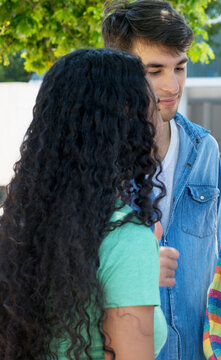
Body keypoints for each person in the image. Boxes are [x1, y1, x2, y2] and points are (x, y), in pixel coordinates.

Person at [0, 48, 165, 359]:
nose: (157, 114)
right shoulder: (125, 240)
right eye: (152, 105)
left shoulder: (19, 227)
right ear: (127, 115)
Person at [102, 2, 221, 359]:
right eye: (154, 71)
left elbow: (213, 264)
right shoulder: (92, 158)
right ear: (119, 71)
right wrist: (135, 272)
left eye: (180, 68)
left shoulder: (206, 150)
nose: (172, 86)